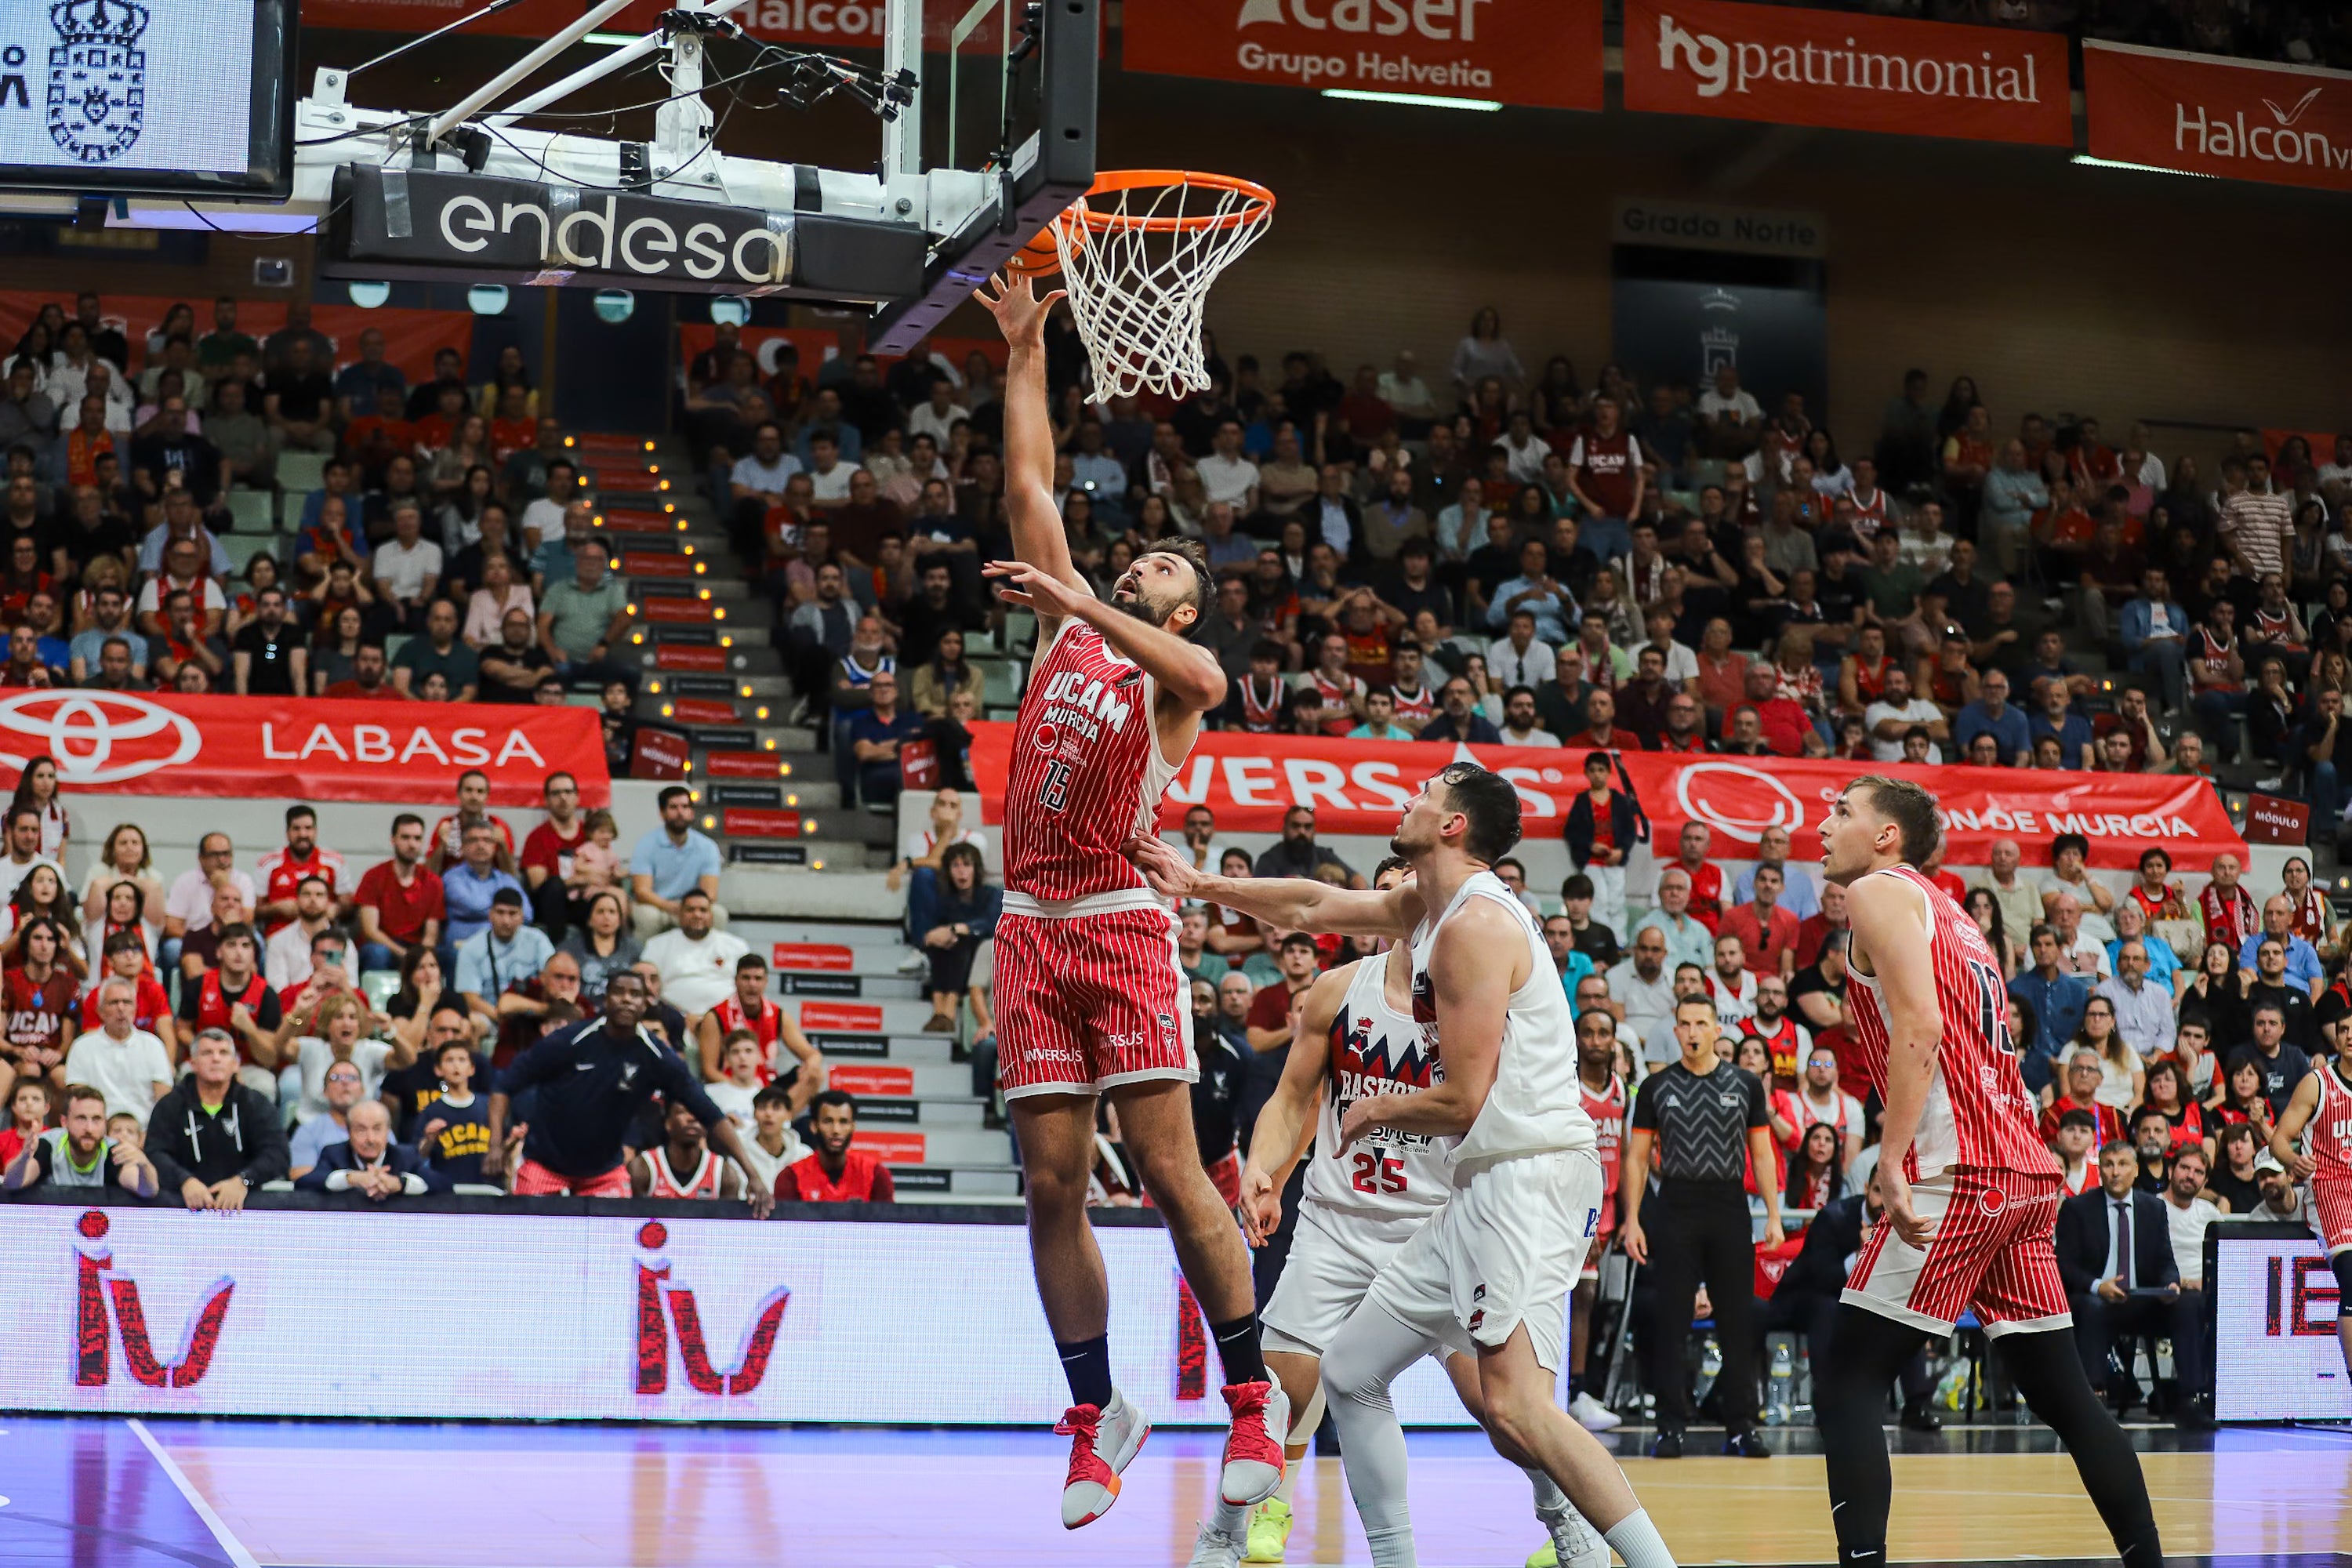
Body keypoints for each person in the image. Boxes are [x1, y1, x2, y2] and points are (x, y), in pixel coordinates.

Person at [1130, 762, 1674, 1568]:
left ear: (1452, 826)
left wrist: (1373, 1107)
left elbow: (1460, 1100)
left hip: (1519, 1179)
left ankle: (1609, 1545)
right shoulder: (1423, 914)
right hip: (1426, 1200)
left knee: (1516, 1407)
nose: (1409, 796)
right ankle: (1365, 1553)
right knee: (1346, 1372)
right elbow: (1312, 902)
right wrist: (1198, 880)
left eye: (1426, 792)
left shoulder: (1474, 926)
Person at [975, 273, 1282, 1533]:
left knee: (1164, 1168)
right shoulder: (1069, 632)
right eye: (1137, 554)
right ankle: (1097, 1415)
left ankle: (1251, 1396)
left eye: (1164, 562)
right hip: (1029, 927)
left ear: (1182, 598)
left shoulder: (1171, 671)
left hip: (1118, 920)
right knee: (1051, 1185)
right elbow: (1031, 485)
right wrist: (1024, 351)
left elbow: (1210, 672)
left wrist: (1085, 602)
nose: (1137, 558)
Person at [1197, 856, 1606, 1567]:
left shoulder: (1477, 991)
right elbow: (1292, 1099)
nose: (1398, 904)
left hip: (1444, 1222)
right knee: (1277, 1387)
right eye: (1385, 893)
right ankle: (1242, 1528)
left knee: (1497, 1399)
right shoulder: (1335, 993)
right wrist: (1265, 1166)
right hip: (1339, 1220)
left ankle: (1568, 1520)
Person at [1814, 775, 2163, 1567]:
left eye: (1843, 809)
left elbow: (1920, 1025)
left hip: (1960, 1168)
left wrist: (1895, 1160)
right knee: (2065, 1396)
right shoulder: (1958, 918)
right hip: (2025, 1171)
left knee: (1845, 1380)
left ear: (1885, 837)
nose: (1825, 821)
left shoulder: (1876, 892)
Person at [1622, 992, 1784, 1457]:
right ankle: (1671, 1425)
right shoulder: (1656, 1088)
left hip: (1730, 1207)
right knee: (1672, 1322)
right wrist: (1633, 1219)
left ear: (1717, 1029)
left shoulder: (1746, 1084)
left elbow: (1762, 1152)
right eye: (1684, 1024)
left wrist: (1772, 1214)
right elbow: (1636, 1159)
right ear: (1675, 1032)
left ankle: (1741, 1426)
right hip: (1674, 1208)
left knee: (1737, 1321)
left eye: (1701, 1024)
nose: (1692, 1032)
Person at [485, 971, 770, 1208]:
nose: (626, 1000)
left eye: (634, 994)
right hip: (545, 1166)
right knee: (536, 1255)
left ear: (645, 1004)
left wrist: (752, 1174)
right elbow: (503, 1086)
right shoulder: (570, 1040)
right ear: (605, 1000)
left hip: (604, 1173)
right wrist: (495, 1145)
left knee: (611, 1258)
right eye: (618, 992)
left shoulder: (656, 1056)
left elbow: (711, 1114)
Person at [2053, 1141, 2207, 1425]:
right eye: (2108, 1165)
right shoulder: (2078, 1208)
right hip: (2098, 1299)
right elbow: (2065, 1265)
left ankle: (2190, 1399)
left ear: (2136, 1170)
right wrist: (2098, 1285)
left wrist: (2170, 1284)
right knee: (2090, 1306)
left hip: (2144, 1299)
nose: (2115, 1172)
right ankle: (2093, 1398)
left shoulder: (2154, 1208)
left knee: (2188, 1303)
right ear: (2100, 1170)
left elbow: (2165, 1261)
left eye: (2123, 1164)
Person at [2267, 1022, 2352, 1391]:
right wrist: (2293, 1161)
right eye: (2346, 1029)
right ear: (2336, 1038)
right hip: (2329, 1188)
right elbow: (2279, 1140)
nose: (2351, 1036)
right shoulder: (2318, 1082)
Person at [142, 1029, 288, 1210]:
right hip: (181, 1207)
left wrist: (243, 1181)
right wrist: (184, 1181)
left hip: (244, 1208)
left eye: (223, 1053)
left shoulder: (255, 1103)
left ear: (235, 1064)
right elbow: (155, 1153)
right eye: (207, 1053)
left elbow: (278, 1154)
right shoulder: (170, 1105)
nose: (216, 1059)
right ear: (193, 1063)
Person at [695, 952, 825, 1111]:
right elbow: (709, 1071)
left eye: (757, 979)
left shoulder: (777, 1014)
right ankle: (771, 1114)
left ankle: (781, 1121)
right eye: (746, 978)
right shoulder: (715, 1016)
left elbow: (812, 1054)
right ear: (735, 981)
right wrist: (745, 1091)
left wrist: (811, 1065)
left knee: (816, 1075)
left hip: (767, 1084)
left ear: (765, 982)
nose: (752, 984)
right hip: (731, 1083)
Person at [1, 1080, 158, 1194]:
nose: (89, 1128)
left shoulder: (113, 1151)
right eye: (81, 1118)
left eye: (96, 1119)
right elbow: (13, 1183)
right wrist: (23, 1157)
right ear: (64, 1121)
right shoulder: (48, 1144)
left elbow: (146, 1191)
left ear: (105, 1123)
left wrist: (144, 1165)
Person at [630, 785, 727, 937]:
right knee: (648, 917)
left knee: (718, 914)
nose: (680, 813)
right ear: (662, 813)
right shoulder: (646, 844)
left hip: (692, 905)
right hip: (657, 906)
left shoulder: (707, 847)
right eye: (673, 807)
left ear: (692, 812)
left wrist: (689, 908)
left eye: (685, 807)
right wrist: (670, 906)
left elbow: (710, 894)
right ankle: (645, 961)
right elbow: (642, 892)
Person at [640, 890, 748, 1022]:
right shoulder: (657, 944)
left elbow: (748, 986)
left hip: (725, 1020)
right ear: (680, 914)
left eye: (703, 910)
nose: (697, 915)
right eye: (690, 910)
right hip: (672, 1021)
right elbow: (647, 986)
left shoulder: (736, 946)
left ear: (711, 915)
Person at [777, 1088, 896, 1202]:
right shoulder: (791, 1177)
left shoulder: (876, 1174)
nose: (836, 1130)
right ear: (814, 1126)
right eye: (828, 1121)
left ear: (853, 1126)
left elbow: (888, 1221)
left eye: (843, 1122)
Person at [631, 1098, 747, 1200]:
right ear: (668, 1123)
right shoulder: (643, 1167)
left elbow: (727, 1223)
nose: (692, 1118)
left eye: (697, 1113)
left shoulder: (724, 1173)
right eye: (682, 1112)